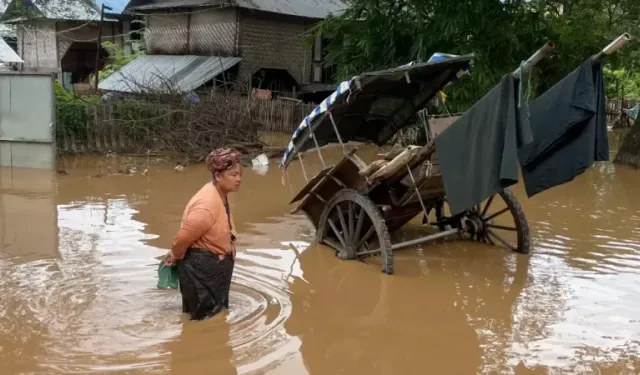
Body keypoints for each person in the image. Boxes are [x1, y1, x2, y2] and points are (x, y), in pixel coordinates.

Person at [164, 148, 243, 321]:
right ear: (217, 176)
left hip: (213, 268)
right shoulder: (206, 205)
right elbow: (184, 238)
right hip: (200, 270)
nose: (238, 179)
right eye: (234, 174)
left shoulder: (220, 194)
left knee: (214, 317)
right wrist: (175, 254)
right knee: (204, 322)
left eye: (240, 174)